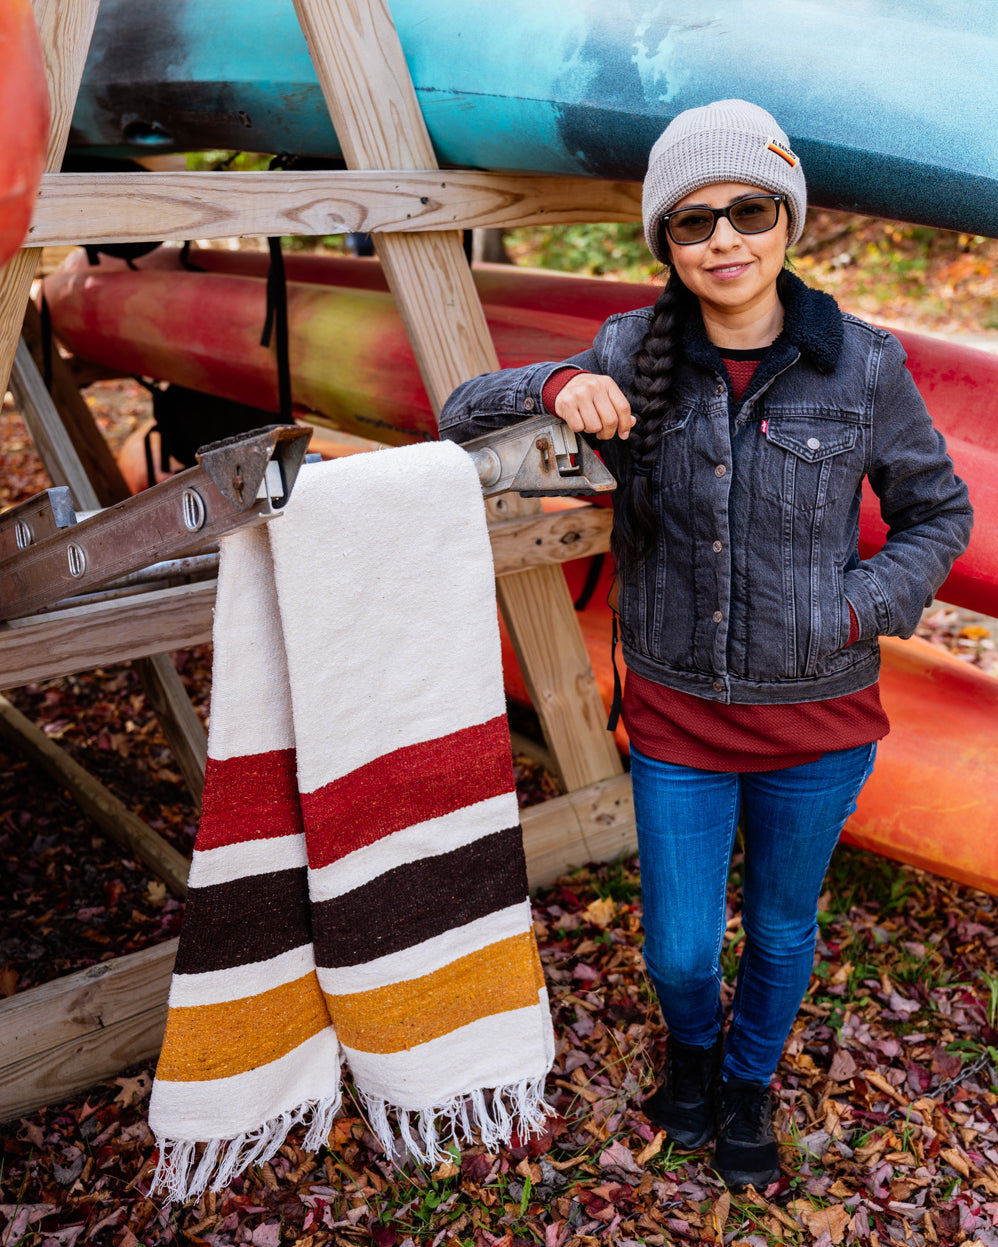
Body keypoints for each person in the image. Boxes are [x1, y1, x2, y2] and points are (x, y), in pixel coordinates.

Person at [438, 99, 973, 1189]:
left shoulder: (860, 366)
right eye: (691, 221)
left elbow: (938, 514)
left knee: (779, 932)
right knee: (679, 948)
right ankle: (689, 1051)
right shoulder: (631, 350)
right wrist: (550, 385)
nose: (722, 238)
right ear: (663, 242)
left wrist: (855, 605)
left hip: (818, 718)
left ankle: (744, 1080)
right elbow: (460, 412)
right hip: (676, 714)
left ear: (786, 222)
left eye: (747, 210)